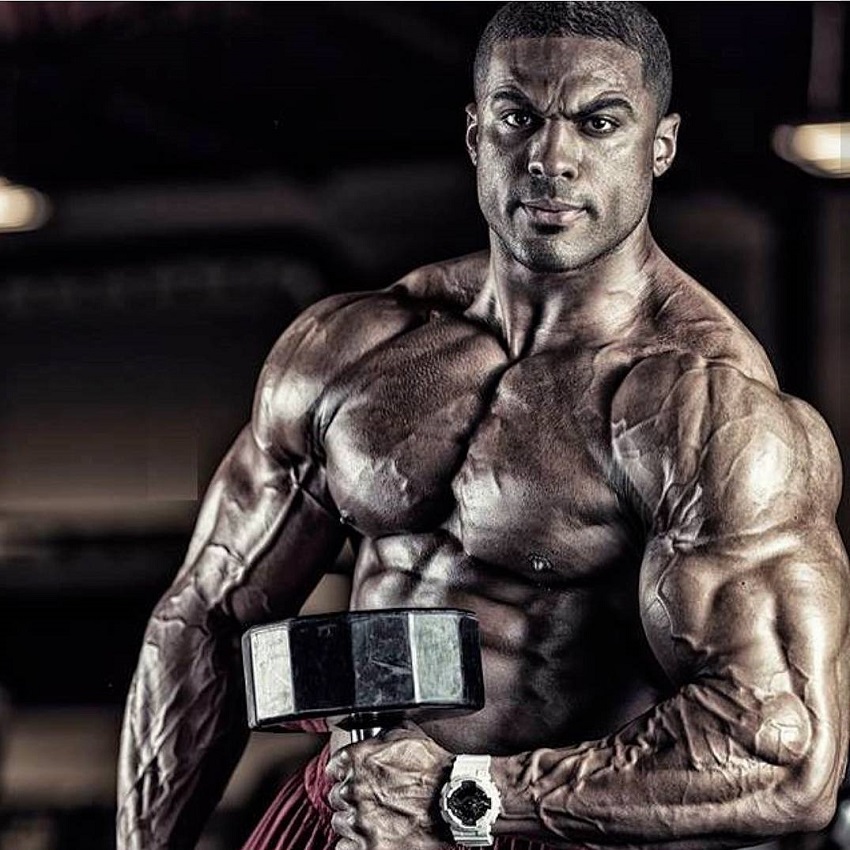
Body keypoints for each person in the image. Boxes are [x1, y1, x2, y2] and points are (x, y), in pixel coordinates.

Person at [116, 3, 850, 849]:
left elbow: (780, 753)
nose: (550, 157)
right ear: (476, 134)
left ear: (660, 145)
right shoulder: (350, 350)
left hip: (526, 823)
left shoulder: (701, 409)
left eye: (598, 123)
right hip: (334, 816)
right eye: (519, 117)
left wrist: (466, 800)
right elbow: (203, 617)